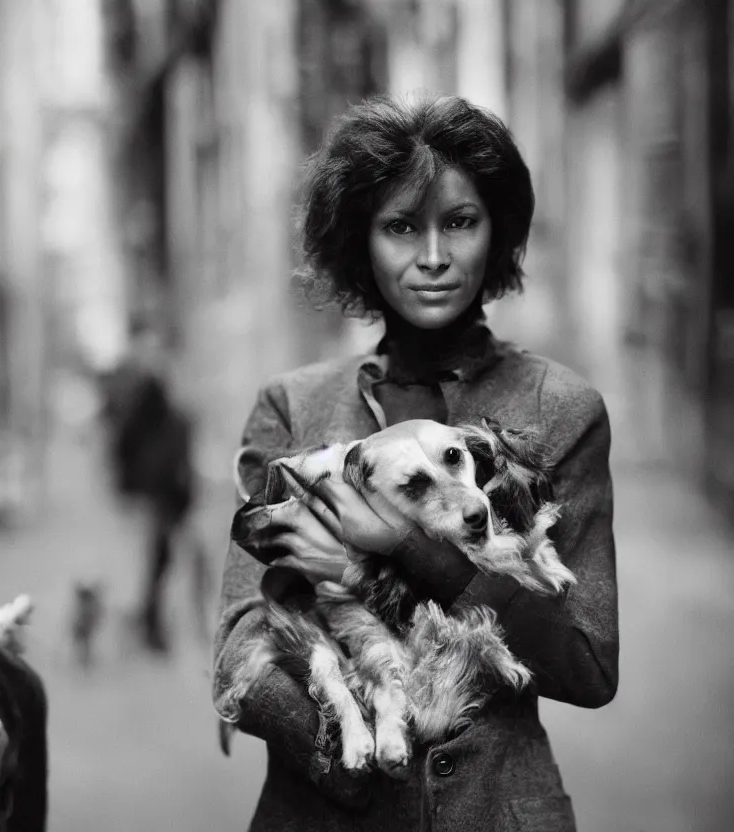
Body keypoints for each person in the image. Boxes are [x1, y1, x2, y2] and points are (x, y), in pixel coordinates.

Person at [212, 94, 618, 831]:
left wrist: (391, 555)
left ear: (496, 234)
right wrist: (353, 759)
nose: (433, 256)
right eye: (401, 226)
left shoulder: (560, 409)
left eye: (460, 222)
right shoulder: (293, 409)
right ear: (360, 243)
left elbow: (589, 666)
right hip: (321, 811)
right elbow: (241, 645)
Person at [101, 321, 196, 653]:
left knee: (160, 560)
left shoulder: (158, 390)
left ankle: (150, 624)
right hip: (153, 491)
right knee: (152, 560)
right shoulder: (143, 390)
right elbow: (124, 442)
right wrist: (129, 487)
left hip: (166, 491)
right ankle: (148, 626)